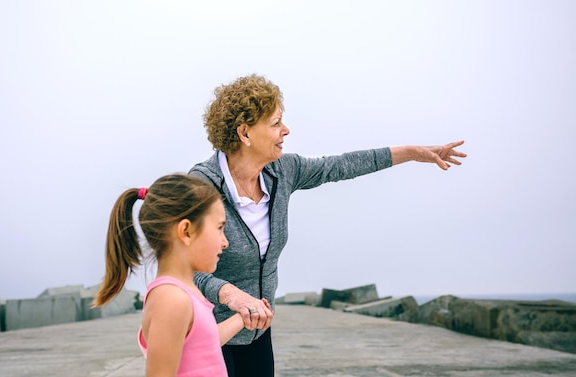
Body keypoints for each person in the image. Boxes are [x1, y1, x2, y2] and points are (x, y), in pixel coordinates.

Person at [188, 73, 467, 377]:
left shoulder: (282, 172)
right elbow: (186, 268)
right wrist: (229, 293)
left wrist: (413, 153)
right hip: (211, 336)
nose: (286, 130)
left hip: (258, 334)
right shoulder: (203, 185)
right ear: (245, 133)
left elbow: (340, 166)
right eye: (275, 123)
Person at [93, 173, 271, 377]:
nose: (225, 242)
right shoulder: (171, 299)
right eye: (220, 228)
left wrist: (244, 316)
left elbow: (204, 342)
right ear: (186, 231)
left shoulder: (184, 292)